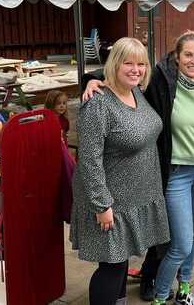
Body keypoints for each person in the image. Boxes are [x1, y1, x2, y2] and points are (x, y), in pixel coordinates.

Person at [84, 32, 194, 304]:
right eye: (187, 55)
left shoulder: (143, 90)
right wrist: (90, 80)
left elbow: (129, 77)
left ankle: (182, 292)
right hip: (151, 183)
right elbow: (90, 159)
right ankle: (160, 294)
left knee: (136, 255)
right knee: (167, 247)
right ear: (176, 57)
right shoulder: (161, 81)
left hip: (171, 182)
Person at [70, 37, 170, 305]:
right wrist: (102, 205)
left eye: (141, 64)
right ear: (114, 65)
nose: (136, 69)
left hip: (135, 198)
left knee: (122, 260)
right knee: (112, 266)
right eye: (128, 63)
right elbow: (89, 160)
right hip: (111, 202)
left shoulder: (136, 91)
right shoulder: (98, 103)